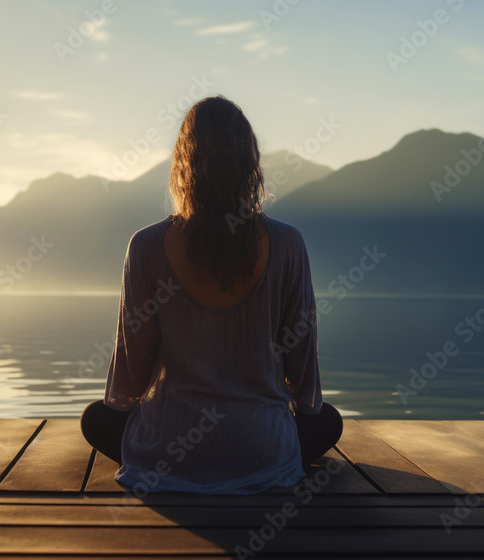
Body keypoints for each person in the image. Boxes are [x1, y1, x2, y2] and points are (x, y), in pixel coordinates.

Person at [80, 95, 342, 495]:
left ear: (184, 163)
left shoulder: (146, 246)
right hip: (262, 451)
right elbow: (303, 371)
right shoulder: (288, 243)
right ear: (249, 164)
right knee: (328, 421)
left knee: (95, 419)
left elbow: (128, 382)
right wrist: (290, 410)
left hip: (167, 452)